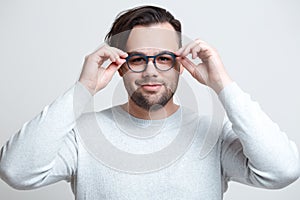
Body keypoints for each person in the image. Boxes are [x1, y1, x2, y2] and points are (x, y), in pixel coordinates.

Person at [0, 5, 299, 200]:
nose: (152, 70)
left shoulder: (213, 135)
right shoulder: (83, 135)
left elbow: (283, 170)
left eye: (164, 59)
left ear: (180, 64)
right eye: (137, 59)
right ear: (119, 66)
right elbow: (16, 171)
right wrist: (84, 88)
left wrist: (222, 84)